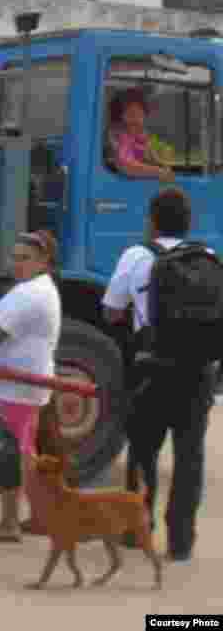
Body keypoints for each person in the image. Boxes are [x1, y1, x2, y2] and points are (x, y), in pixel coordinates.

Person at [103, 187, 214, 561]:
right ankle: (181, 541)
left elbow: (112, 311)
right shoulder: (208, 256)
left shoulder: (137, 255)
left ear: (151, 220)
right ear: (189, 222)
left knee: (143, 450)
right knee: (189, 457)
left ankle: (139, 529)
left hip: (152, 369)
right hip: (198, 372)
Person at [0, 230, 62, 543]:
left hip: (16, 387)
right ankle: (38, 515)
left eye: (25, 258)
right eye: (15, 257)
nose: (17, 263)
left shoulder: (30, 294)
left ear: (44, 262)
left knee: (13, 454)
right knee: (24, 452)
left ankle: (10, 522)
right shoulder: (38, 289)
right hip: (21, 386)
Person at [105, 87, 174, 182]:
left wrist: (162, 165)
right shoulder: (120, 136)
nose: (136, 119)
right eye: (131, 114)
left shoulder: (142, 136)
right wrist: (158, 171)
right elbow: (125, 164)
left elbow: (153, 158)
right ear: (120, 116)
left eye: (140, 114)